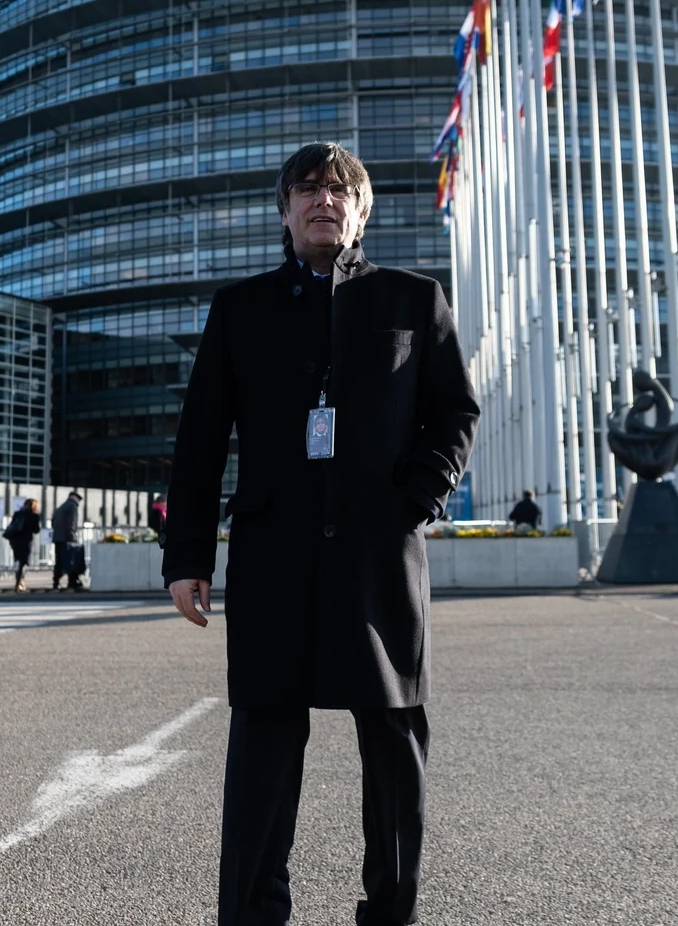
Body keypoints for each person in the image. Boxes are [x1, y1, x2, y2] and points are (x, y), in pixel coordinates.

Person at [163, 142, 479, 926]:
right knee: (263, 752)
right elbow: (201, 439)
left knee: (395, 747)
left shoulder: (413, 299)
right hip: (275, 559)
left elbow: (456, 413)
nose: (324, 200)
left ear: (362, 210)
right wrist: (188, 556)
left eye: (341, 191)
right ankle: (251, 914)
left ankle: (391, 914)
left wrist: (415, 499)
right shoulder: (240, 310)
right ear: (284, 211)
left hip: (380, 559)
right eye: (308, 189)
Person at [3, 497, 42, 593]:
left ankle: (19, 581)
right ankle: (19, 581)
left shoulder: (17, 513)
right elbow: (36, 530)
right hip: (26, 541)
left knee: (18, 560)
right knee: (24, 562)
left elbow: (12, 525)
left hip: (15, 540)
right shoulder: (34, 515)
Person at [51, 490, 87, 592]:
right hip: (67, 539)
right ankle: (72, 582)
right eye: (78, 500)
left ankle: (56, 582)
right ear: (75, 498)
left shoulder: (60, 507)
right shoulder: (72, 507)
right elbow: (71, 524)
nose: (79, 502)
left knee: (59, 561)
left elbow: (53, 523)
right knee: (71, 561)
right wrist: (73, 539)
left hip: (58, 538)